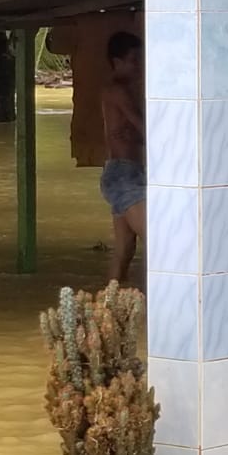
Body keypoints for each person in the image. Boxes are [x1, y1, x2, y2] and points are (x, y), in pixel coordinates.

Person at [99, 31, 146, 284]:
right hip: (124, 175)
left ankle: (109, 313)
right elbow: (142, 128)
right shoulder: (117, 90)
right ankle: (159, 312)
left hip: (126, 173)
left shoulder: (124, 90)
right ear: (117, 62)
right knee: (158, 243)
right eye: (133, 60)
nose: (138, 65)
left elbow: (134, 134)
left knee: (124, 251)